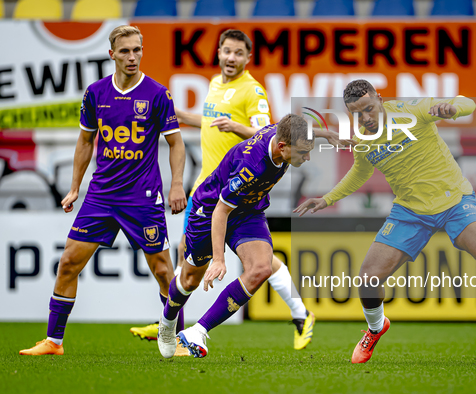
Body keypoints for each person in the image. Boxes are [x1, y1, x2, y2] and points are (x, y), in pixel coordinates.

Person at [131, 29, 348, 349]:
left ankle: (191, 330)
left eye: (238, 53)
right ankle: (170, 322)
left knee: (260, 264)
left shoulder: (253, 92)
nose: (231, 58)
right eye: (226, 51)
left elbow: (271, 130)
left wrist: (328, 136)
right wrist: (169, 113)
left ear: (247, 58)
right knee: (190, 270)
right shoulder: (216, 87)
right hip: (215, 190)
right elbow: (224, 130)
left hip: (240, 193)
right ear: (218, 53)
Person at [294, 80, 476, 364]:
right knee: (367, 279)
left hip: (454, 200)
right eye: (357, 115)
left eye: (369, 109)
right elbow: (360, 172)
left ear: (380, 99)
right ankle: (376, 328)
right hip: (410, 212)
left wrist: (452, 107)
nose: (365, 119)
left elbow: (470, 103)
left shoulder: (413, 111)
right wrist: (327, 199)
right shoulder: (363, 140)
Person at [19, 25, 187, 356]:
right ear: (112, 54)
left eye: (137, 50)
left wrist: (177, 183)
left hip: (142, 197)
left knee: (163, 271)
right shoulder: (95, 93)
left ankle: (177, 339)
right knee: (68, 262)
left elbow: (176, 142)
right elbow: (85, 141)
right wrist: (74, 188)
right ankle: (54, 341)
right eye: (125, 51)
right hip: (101, 196)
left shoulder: (157, 93)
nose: (132, 57)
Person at [157, 114, 314, 359]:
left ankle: (198, 331)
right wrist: (219, 259)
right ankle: (166, 324)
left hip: (248, 210)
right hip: (210, 209)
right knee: (189, 281)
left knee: (261, 268)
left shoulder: (280, 133)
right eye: (304, 152)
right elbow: (221, 210)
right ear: (282, 147)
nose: (308, 158)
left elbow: (260, 131)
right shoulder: (252, 167)